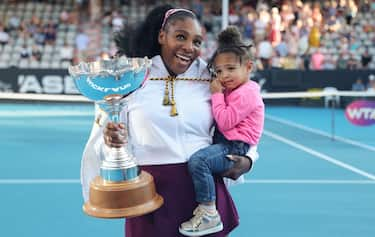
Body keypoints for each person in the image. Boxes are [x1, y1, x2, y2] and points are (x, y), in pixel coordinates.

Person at [81, 5, 259, 237]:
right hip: (150, 195)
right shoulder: (133, 76)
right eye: (180, 37)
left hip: (203, 199)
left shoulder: (212, 76)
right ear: (161, 36)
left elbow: (246, 116)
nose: (189, 47)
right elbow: (106, 134)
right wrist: (112, 138)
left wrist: (248, 159)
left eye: (197, 42)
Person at [179, 26, 264, 236]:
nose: (224, 76)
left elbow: (225, 122)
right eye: (219, 71)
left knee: (200, 161)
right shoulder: (236, 89)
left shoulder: (247, 93)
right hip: (227, 142)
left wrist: (216, 94)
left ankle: (209, 212)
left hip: (234, 146)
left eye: (231, 69)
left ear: (248, 67)